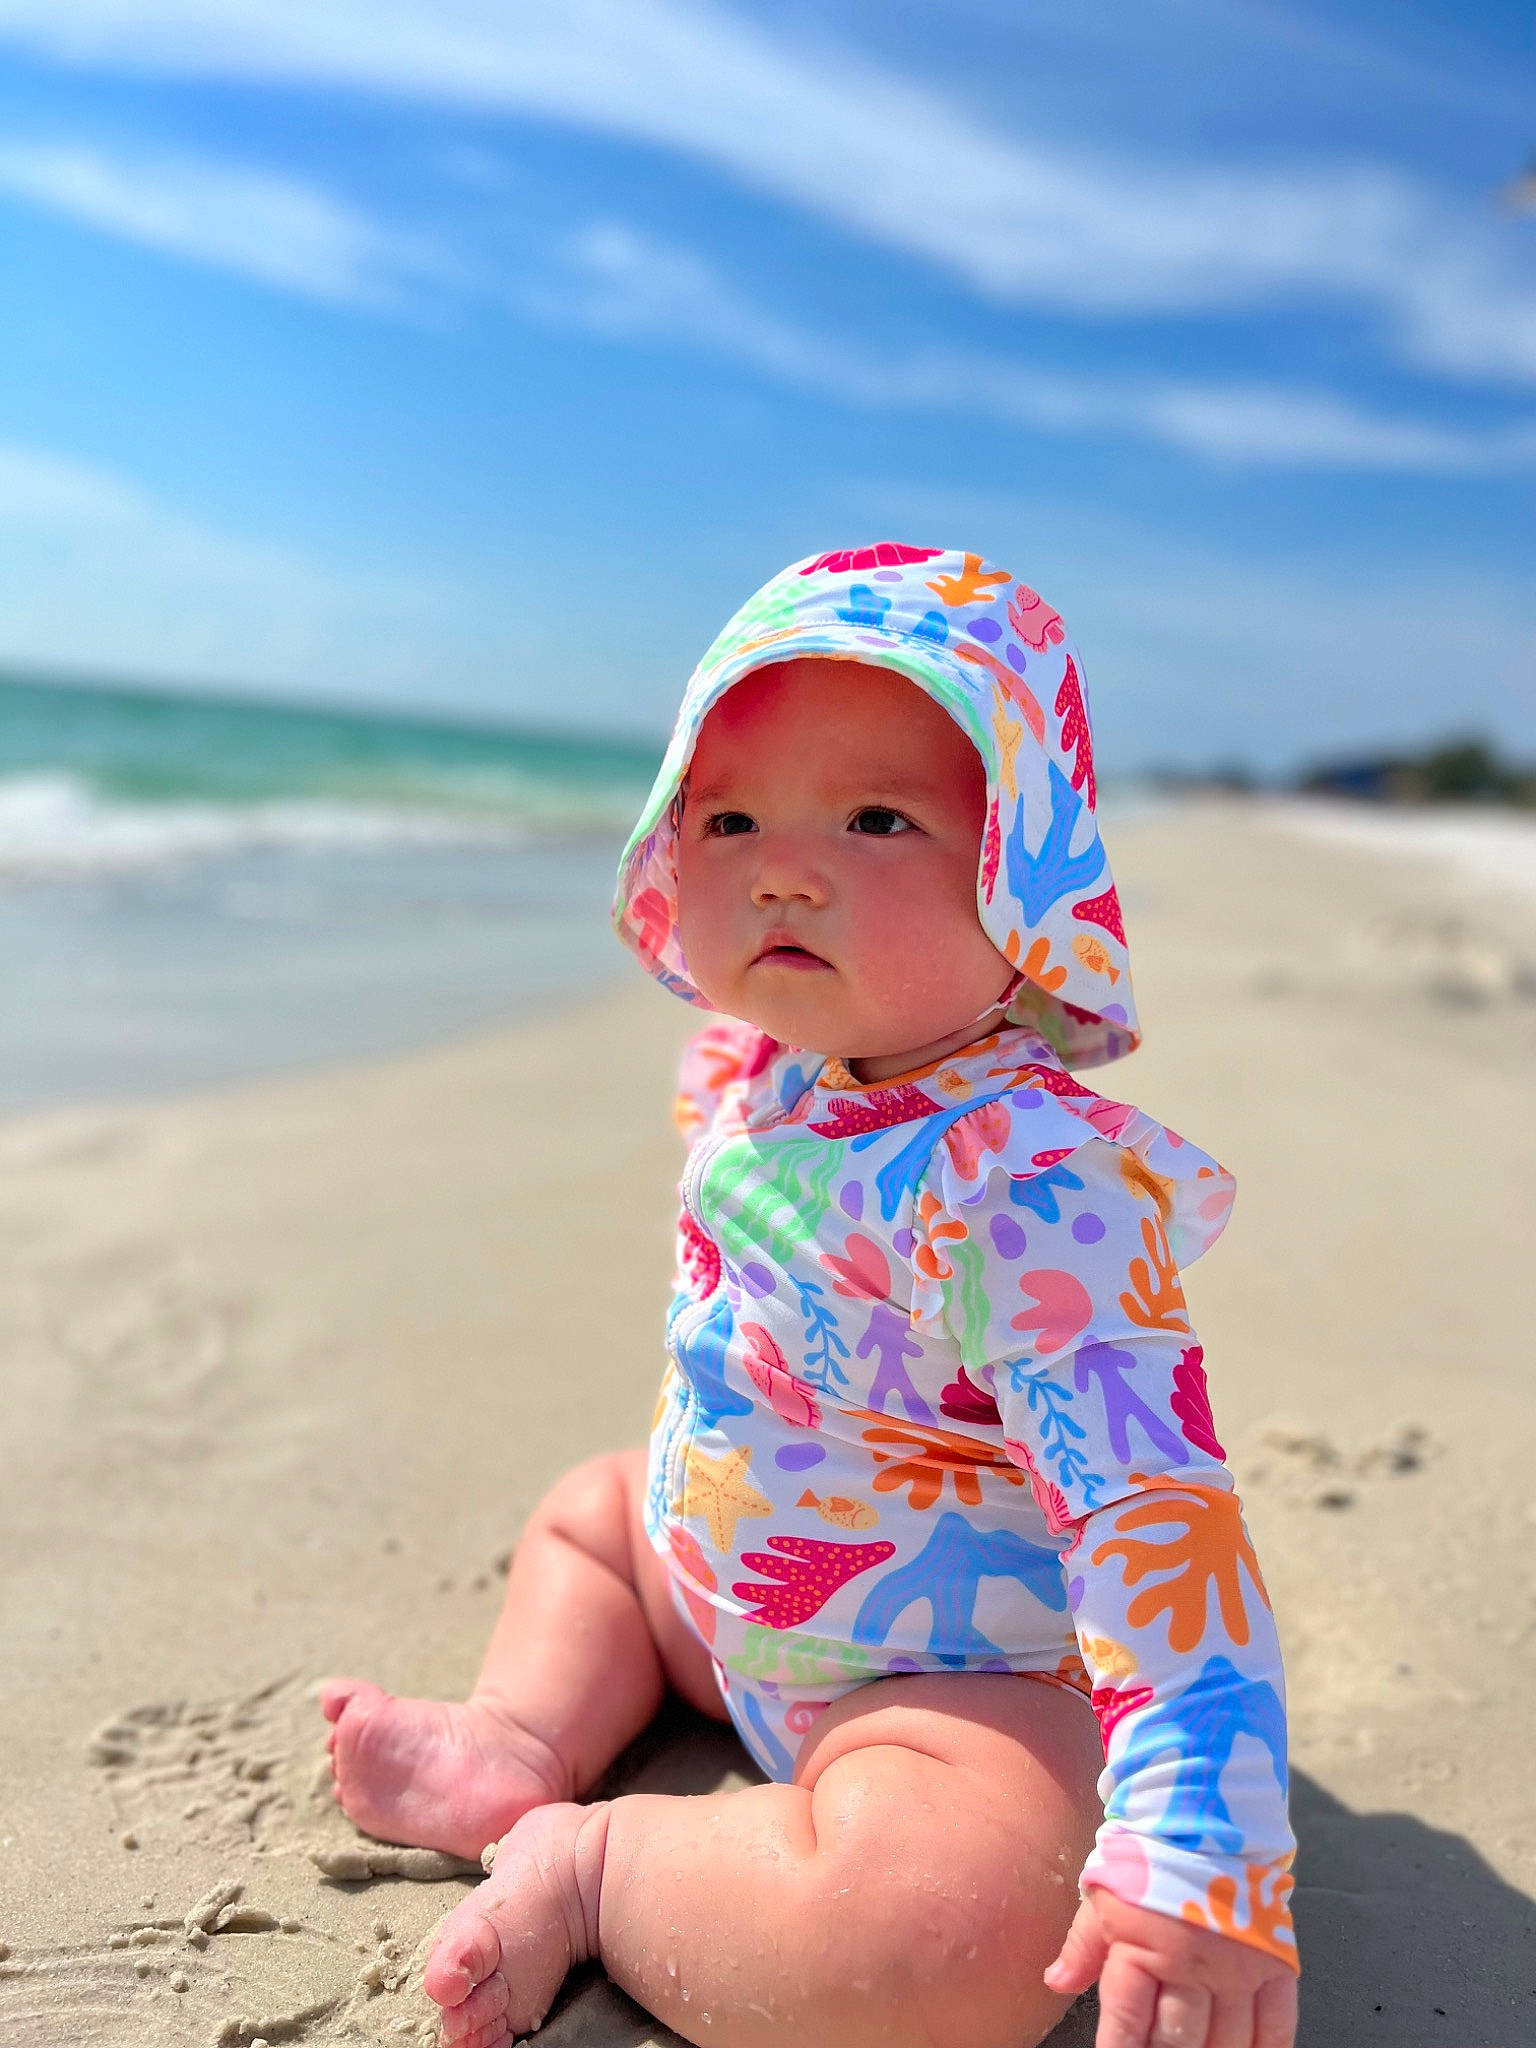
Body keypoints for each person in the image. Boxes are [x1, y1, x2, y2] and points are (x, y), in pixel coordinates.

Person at [321, 543, 1299, 2048]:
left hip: (945, 1689)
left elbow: (1156, 1515)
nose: (780, 869)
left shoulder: (1032, 1186)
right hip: (715, 1590)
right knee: (591, 1519)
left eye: (877, 818)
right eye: (728, 820)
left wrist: (1196, 1833)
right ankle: (520, 1729)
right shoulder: (764, 1069)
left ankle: (594, 1865)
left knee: (948, 1934)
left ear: (1019, 872)